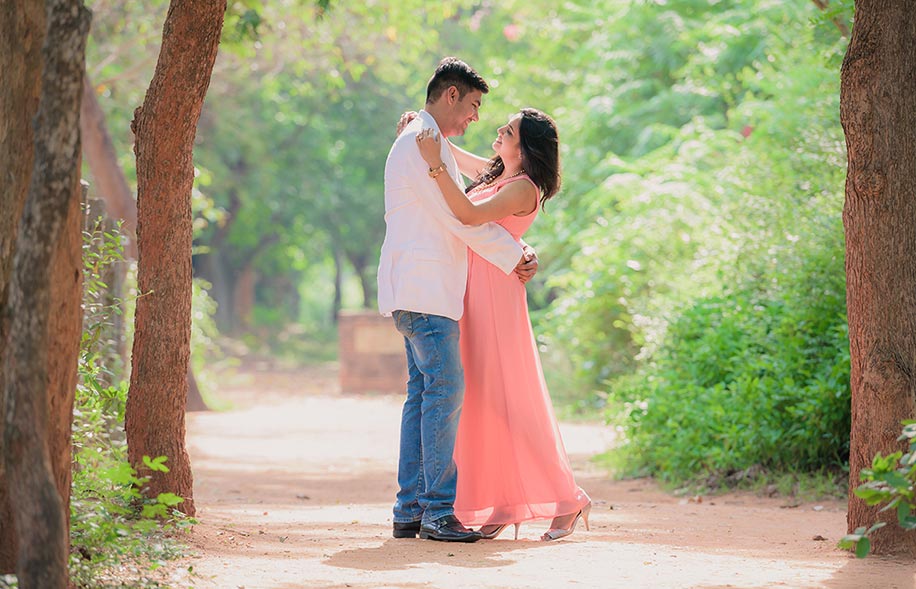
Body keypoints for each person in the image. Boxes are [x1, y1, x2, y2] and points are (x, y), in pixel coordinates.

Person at [377, 57, 538, 543]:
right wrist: (515, 254)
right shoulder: (422, 144)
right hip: (426, 291)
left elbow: (476, 193)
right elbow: (459, 218)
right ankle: (437, 511)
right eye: (472, 105)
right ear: (451, 95)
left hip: (416, 289)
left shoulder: (426, 140)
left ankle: (410, 510)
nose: (475, 117)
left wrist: (518, 249)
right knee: (445, 392)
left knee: (423, 395)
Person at [414, 108, 591, 541]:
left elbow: (468, 215)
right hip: (470, 290)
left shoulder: (522, 188)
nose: (498, 130)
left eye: (508, 131)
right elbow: (452, 153)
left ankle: (569, 498)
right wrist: (422, 127)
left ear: (524, 148)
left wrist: (435, 167)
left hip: (495, 294)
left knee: (508, 398)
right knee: (481, 399)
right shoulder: (498, 174)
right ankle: (503, 501)